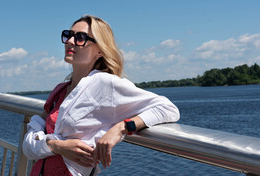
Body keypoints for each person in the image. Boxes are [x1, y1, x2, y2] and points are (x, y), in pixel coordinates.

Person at [22, 15, 180, 176]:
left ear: (99, 50)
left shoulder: (105, 84)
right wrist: (58, 146)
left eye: (80, 38)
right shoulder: (61, 90)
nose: (70, 41)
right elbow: (29, 145)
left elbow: (167, 108)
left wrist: (121, 128)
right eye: (68, 35)